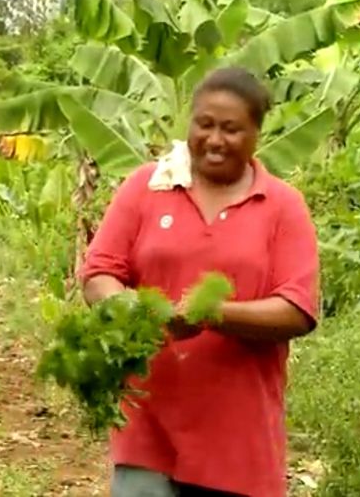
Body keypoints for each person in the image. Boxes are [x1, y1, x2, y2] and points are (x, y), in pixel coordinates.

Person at [79, 67, 320, 497]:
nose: (214, 139)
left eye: (231, 129)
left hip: (239, 436)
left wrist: (214, 314)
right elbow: (100, 272)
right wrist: (131, 309)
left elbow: (296, 309)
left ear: (255, 135)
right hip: (146, 425)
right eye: (204, 124)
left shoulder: (282, 206)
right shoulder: (146, 188)